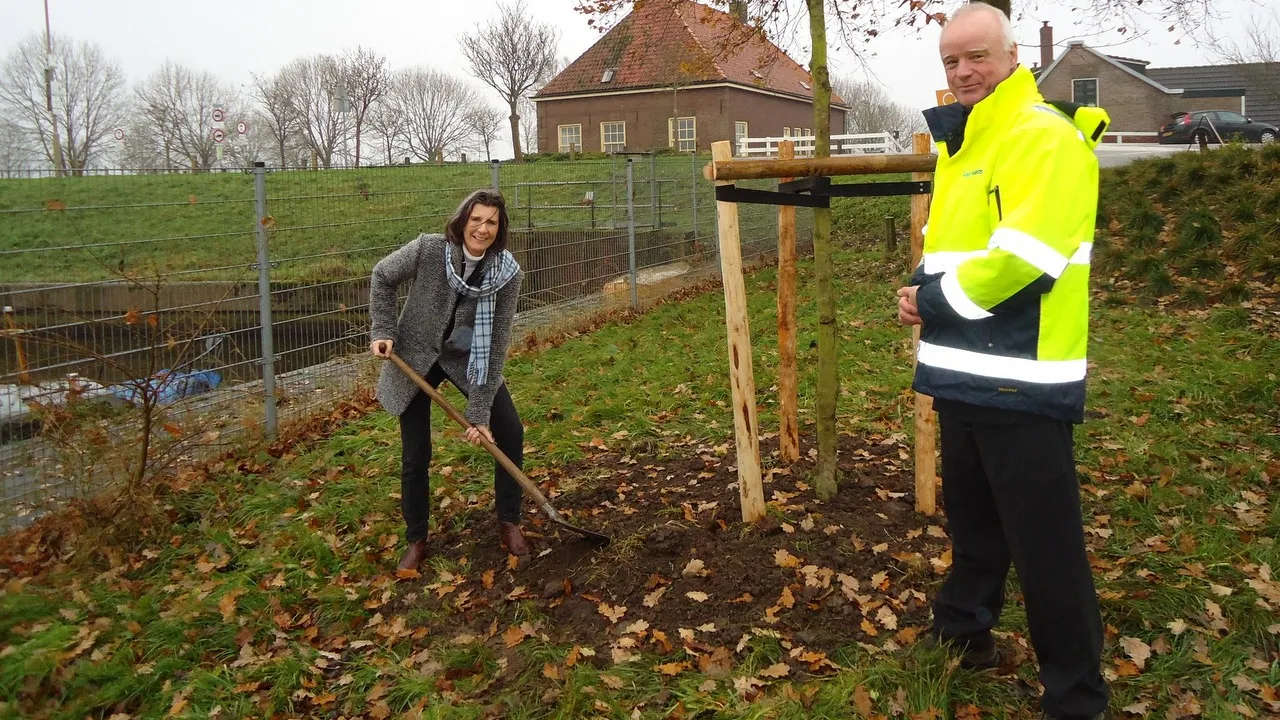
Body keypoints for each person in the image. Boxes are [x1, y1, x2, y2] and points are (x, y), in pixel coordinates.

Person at [895, 4, 1111, 720]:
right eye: (951, 62)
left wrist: (934, 301)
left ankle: (1076, 696)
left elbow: (1027, 258)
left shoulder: (1042, 137)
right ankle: (965, 634)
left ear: (1012, 55)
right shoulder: (965, 142)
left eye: (976, 57)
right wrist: (926, 293)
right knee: (975, 522)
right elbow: (968, 247)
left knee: (1045, 547)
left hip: (1023, 378)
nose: (962, 72)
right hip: (963, 372)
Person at [369, 189, 528, 572]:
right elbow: (382, 276)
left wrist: (479, 415)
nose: (483, 228)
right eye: (476, 219)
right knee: (416, 453)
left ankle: (509, 520)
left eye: (491, 222)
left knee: (511, 430)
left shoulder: (506, 274)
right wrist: (384, 329)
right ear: (463, 220)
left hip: (466, 359)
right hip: (416, 357)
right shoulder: (428, 250)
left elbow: (496, 344)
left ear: (499, 228)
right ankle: (417, 538)